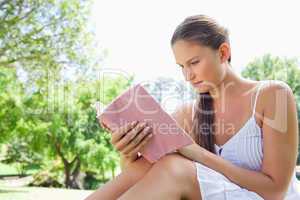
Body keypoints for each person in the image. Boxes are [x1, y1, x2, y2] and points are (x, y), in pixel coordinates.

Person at [85, 14, 300, 200]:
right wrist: (129, 151)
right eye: (181, 67)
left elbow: (275, 191)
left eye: (194, 62)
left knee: (173, 166)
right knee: (164, 163)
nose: (188, 76)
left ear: (223, 53)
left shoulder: (272, 95)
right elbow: (141, 176)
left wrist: (196, 153)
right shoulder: (187, 114)